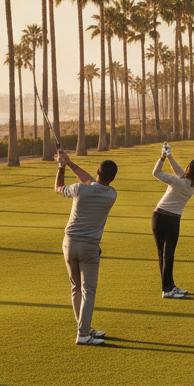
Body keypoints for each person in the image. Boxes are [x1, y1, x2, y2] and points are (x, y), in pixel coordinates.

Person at [55, 148, 118, 345]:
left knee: (76, 287)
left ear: (98, 172)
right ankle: (83, 334)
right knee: (88, 290)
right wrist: (70, 163)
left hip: (69, 243)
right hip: (89, 247)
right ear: (113, 178)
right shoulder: (111, 194)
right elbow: (90, 181)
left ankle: (84, 328)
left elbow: (58, 187)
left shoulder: (79, 189)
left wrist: (62, 166)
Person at [152, 144, 194, 298]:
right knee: (167, 255)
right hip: (170, 221)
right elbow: (180, 172)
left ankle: (169, 286)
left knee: (165, 255)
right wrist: (169, 156)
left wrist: (163, 157)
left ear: (188, 169)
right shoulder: (191, 186)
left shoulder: (178, 181)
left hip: (159, 217)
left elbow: (156, 172)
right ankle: (167, 289)